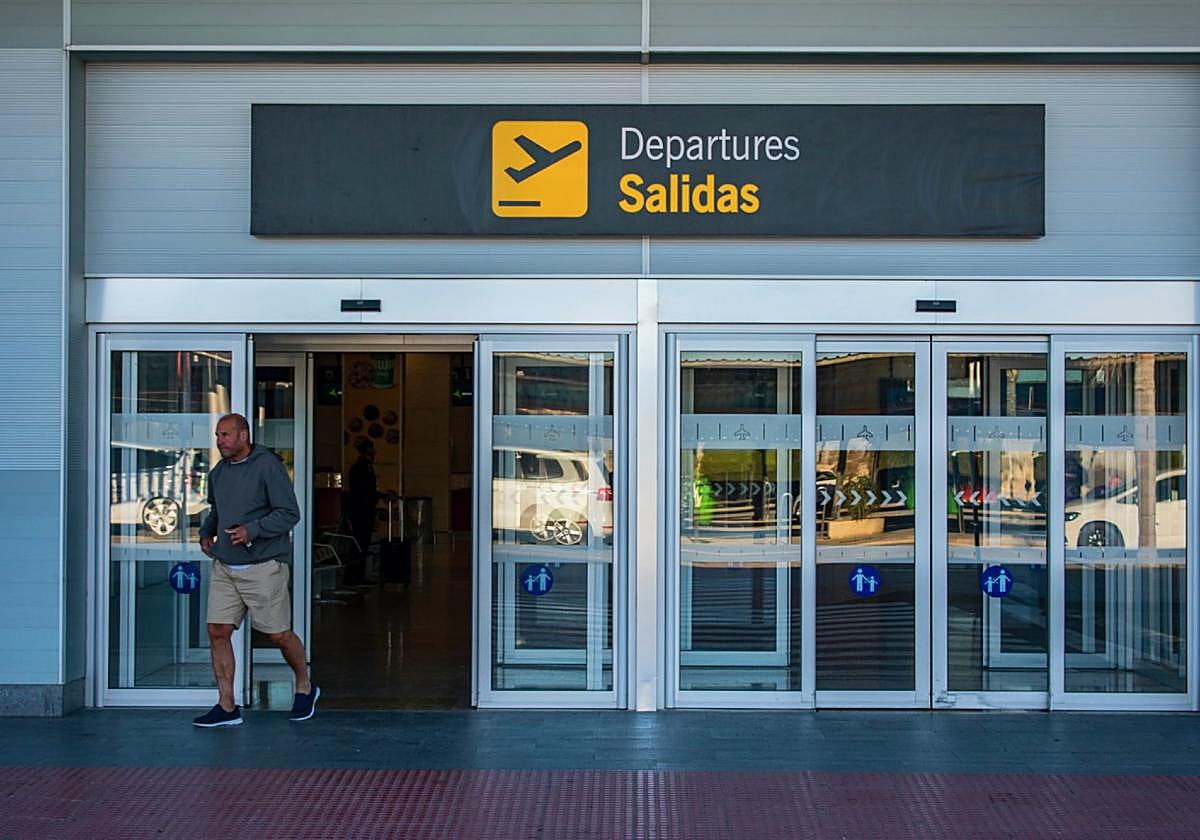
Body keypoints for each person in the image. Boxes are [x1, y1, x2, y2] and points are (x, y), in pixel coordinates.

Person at [193, 413, 318, 727]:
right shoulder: (219, 472)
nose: (219, 441)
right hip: (226, 566)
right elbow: (218, 510)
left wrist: (253, 530)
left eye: (225, 435)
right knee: (217, 630)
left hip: (264, 566)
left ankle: (305, 685)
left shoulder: (268, 466)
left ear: (243, 435)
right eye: (217, 435)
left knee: (279, 634)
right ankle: (226, 705)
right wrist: (207, 531)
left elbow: (289, 513)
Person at [345, 438, 380, 585]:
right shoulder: (361, 469)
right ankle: (354, 576)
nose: (373, 455)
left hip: (362, 511)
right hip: (362, 512)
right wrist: (376, 498)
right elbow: (364, 492)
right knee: (360, 543)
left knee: (361, 544)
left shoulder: (363, 468)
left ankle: (355, 575)